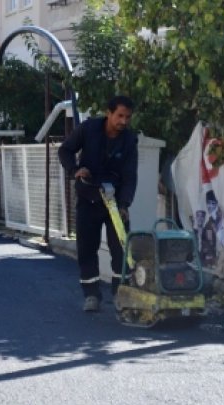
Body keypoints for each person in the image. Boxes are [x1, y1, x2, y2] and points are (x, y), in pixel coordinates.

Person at [58, 95, 139, 312]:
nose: (123, 121)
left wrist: (125, 204)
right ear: (108, 113)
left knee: (121, 250)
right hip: (89, 197)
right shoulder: (88, 129)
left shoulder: (129, 141)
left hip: (115, 204)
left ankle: (121, 295)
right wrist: (75, 170)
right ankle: (91, 295)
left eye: (127, 117)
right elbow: (65, 150)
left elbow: (130, 176)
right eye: (119, 116)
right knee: (86, 249)